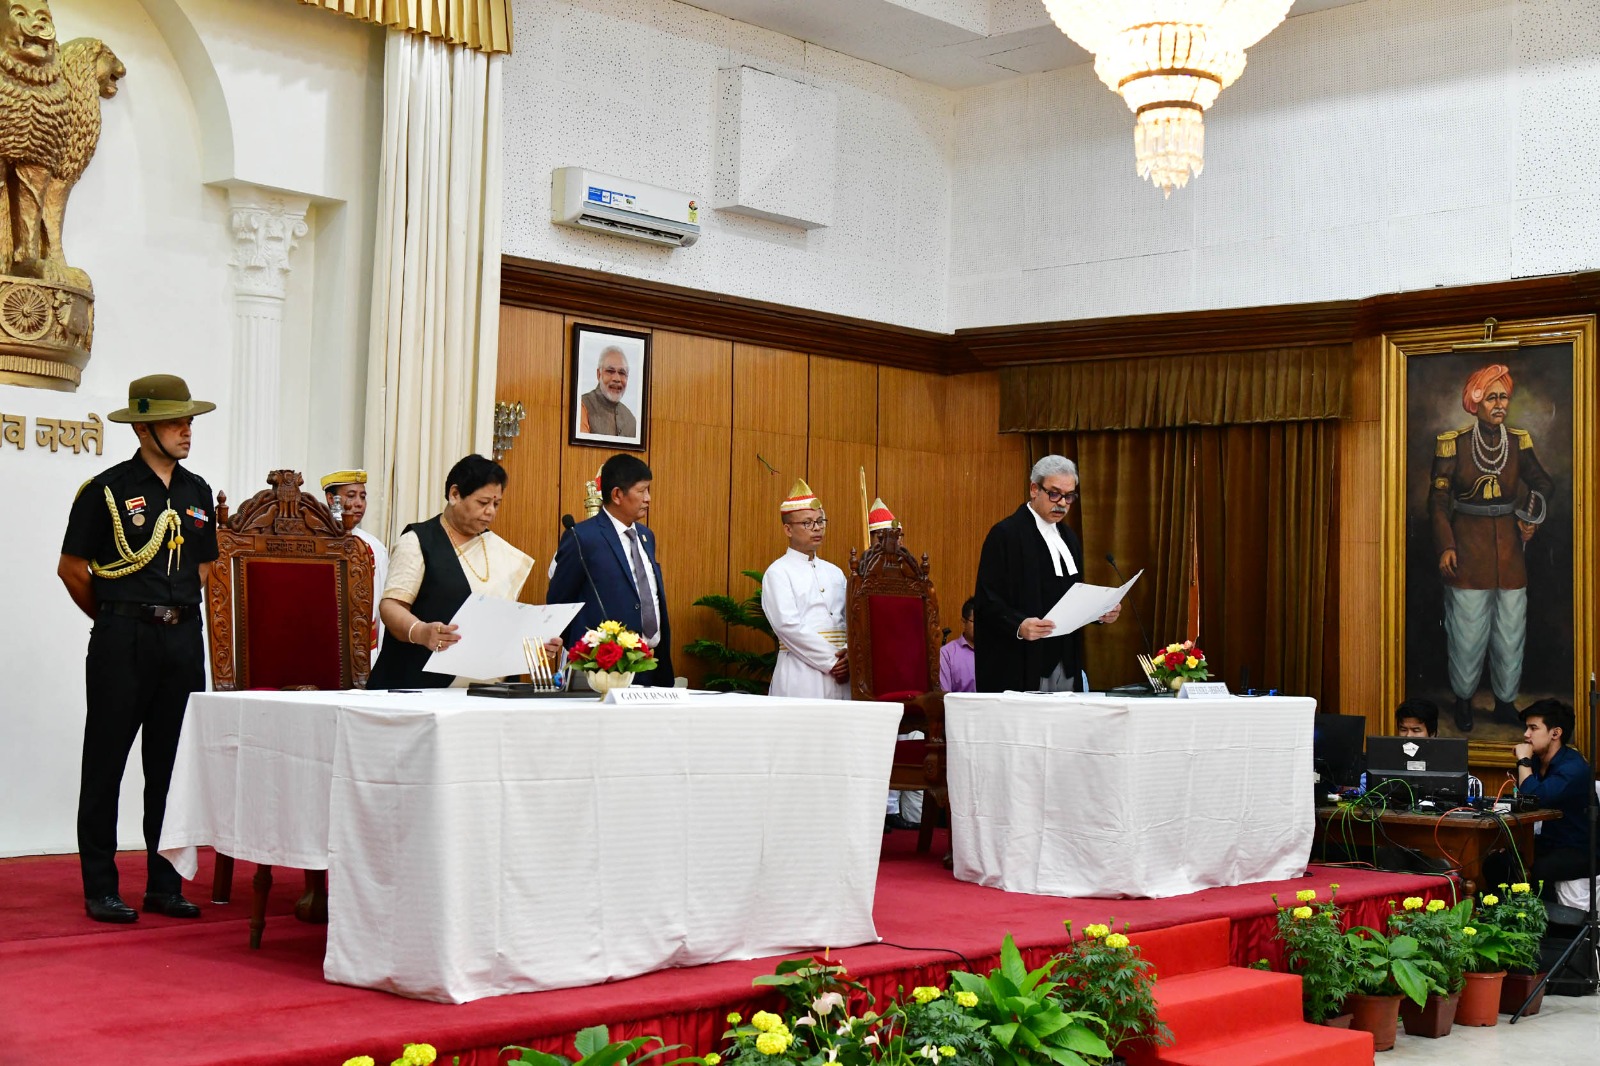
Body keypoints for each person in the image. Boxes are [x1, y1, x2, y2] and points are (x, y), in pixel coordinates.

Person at [57, 374, 218, 923]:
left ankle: (163, 884)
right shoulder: (106, 489)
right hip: (123, 636)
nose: (186, 429)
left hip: (181, 636)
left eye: (190, 420)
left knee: (171, 766)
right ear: (144, 427)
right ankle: (101, 886)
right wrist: (114, 617)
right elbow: (73, 570)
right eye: (175, 421)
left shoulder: (197, 493)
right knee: (105, 763)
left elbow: (201, 568)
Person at [1429, 364, 1555, 733]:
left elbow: (1543, 484)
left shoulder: (1517, 442)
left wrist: (1530, 515)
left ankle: (1503, 701)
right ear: (1475, 401)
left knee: (1511, 630)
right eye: (1492, 397)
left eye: (1504, 397)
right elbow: (1437, 502)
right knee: (1467, 632)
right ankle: (1464, 700)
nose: (1500, 404)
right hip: (1467, 549)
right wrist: (1446, 546)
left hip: (1511, 553)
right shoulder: (1454, 442)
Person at [367, 454, 543, 689]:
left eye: (496, 504)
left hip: (487, 687)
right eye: (483, 503)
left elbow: (503, 622)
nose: (490, 511)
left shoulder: (499, 551)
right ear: (455, 495)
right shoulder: (418, 542)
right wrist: (421, 631)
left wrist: (534, 643)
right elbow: (391, 606)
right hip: (420, 683)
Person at [973, 455, 1121, 692]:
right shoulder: (1005, 534)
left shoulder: (1069, 538)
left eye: (1069, 496)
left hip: (1066, 659)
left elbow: (1071, 597)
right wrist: (1019, 626)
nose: (1062, 503)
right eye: (1054, 493)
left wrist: (1099, 612)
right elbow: (986, 599)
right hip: (1021, 660)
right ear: (1034, 489)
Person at [548, 453, 674, 686]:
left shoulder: (646, 536)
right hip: (603, 669)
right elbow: (559, 603)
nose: (648, 498)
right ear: (617, 494)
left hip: (649, 663)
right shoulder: (582, 537)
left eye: (649, 490)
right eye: (641, 491)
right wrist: (587, 651)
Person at [1485, 699, 1596, 894]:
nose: (1525, 735)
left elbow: (1535, 799)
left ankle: (1547, 924)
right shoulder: (1536, 762)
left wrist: (1524, 761)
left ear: (1555, 733)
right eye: (1526, 728)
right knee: (1495, 862)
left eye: (1533, 728)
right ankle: (1507, 919)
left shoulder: (1573, 767)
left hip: (1579, 849)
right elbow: (1520, 798)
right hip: (1545, 843)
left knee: (1540, 868)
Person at [761, 479, 848, 699]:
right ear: (788, 529)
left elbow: (853, 619)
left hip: (843, 673)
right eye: (807, 523)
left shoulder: (835, 572)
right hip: (802, 672)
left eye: (820, 521)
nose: (817, 528)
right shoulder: (778, 572)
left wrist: (849, 656)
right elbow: (788, 626)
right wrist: (832, 661)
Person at [322, 469, 387, 662]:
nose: (359, 503)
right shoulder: (314, 540)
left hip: (366, 648)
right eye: (351, 496)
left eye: (363, 496)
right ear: (330, 499)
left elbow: (381, 605)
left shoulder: (375, 547)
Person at [578, 345, 637, 438]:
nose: (617, 379)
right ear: (599, 374)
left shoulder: (631, 419)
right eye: (610, 371)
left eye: (622, 373)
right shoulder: (582, 406)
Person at [939, 597, 977, 694]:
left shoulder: (996, 652)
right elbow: (945, 697)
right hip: (960, 708)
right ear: (964, 622)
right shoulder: (947, 654)